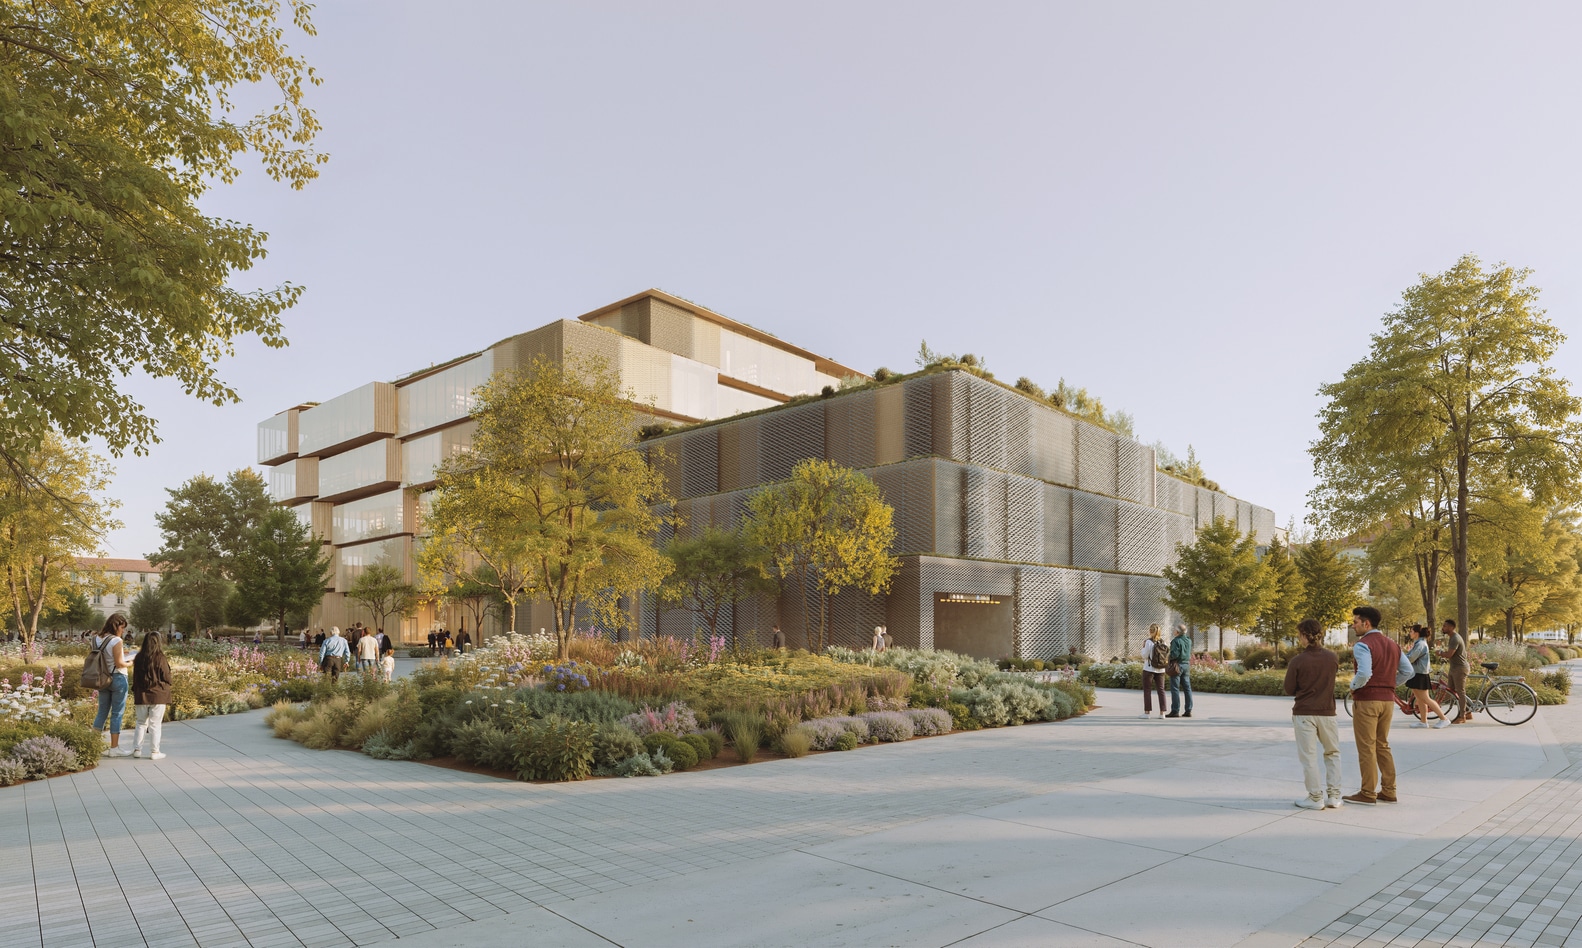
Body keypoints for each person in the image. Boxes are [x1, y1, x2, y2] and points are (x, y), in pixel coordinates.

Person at [1343, 606, 1413, 805]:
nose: (1353, 625)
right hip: (1387, 701)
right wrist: (1389, 685)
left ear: (1366, 623)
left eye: (1355, 621)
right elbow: (1408, 671)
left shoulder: (1363, 644)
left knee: (1366, 747)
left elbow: (1364, 673)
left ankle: (1367, 792)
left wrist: (1353, 687)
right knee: (1382, 744)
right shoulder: (1393, 644)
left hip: (1367, 701)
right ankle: (1389, 791)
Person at [1285, 618, 1343, 809]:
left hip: (1304, 712)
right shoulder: (1332, 658)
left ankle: (1315, 797)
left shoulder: (1297, 661)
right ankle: (1334, 796)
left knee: (1309, 757)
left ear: (1303, 635)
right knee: (1332, 753)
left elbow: (1289, 689)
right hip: (1328, 712)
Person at [91, 614, 135, 757]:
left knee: (102, 712)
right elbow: (119, 663)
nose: (123, 631)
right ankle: (114, 748)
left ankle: (93, 746)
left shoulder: (96, 638)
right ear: (117, 626)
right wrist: (131, 662)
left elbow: (102, 656)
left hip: (102, 678)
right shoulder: (116, 640)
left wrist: (122, 654)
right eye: (122, 627)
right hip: (118, 678)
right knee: (117, 713)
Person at [130, 630, 172, 760]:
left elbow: (135, 677)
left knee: (141, 723)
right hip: (158, 694)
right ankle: (155, 752)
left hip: (141, 694)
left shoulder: (138, 658)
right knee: (155, 724)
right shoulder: (160, 658)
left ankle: (137, 749)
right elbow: (167, 676)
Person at [1405, 625, 1449, 729]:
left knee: (1425, 699)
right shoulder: (1418, 643)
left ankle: (1444, 719)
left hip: (1420, 674)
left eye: (1411, 631)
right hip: (1416, 673)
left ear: (1416, 633)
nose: (1410, 633)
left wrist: (1400, 659)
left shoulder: (1420, 644)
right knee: (1420, 699)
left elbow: (1411, 658)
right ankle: (1423, 722)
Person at [1439, 619, 1471, 723]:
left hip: (1460, 668)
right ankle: (1468, 711)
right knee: (1452, 690)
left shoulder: (1455, 638)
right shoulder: (1452, 637)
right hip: (1454, 668)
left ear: (1452, 627)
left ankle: (1462, 717)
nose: (1443, 628)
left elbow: (1449, 654)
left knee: (1460, 692)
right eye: (1443, 626)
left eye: (1445, 626)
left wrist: (1440, 653)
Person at [1139, 624, 1168, 720]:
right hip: (1161, 669)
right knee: (1161, 690)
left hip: (1149, 669)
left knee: (1147, 690)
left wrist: (1143, 648)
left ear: (1150, 631)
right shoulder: (1163, 642)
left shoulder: (1148, 642)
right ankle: (1162, 713)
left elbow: (1144, 655)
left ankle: (1147, 713)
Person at [1166, 624, 1193, 718]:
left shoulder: (1176, 641)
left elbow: (1174, 654)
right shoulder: (1189, 640)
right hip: (1186, 664)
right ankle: (1188, 710)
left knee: (1175, 688)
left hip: (1177, 665)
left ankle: (1175, 710)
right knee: (1187, 688)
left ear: (1178, 632)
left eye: (1175, 630)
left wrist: (1169, 657)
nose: (1174, 631)